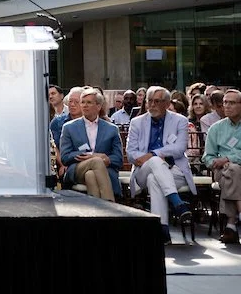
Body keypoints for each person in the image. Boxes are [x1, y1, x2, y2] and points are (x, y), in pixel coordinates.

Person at [126, 86, 194, 242]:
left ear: (167, 103)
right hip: (142, 170)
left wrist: (152, 154)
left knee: (154, 179)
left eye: (157, 101)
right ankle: (177, 203)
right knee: (155, 163)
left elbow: (179, 148)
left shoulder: (180, 121)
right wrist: (152, 158)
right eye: (149, 101)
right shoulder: (137, 122)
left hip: (175, 171)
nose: (152, 105)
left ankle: (162, 230)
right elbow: (131, 153)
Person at [59, 89, 122, 202]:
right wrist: (92, 156)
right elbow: (65, 157)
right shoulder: (69, 127)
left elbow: (118, 159)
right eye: (82, 102)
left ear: (98, 106)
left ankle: (98, 213)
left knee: (90, 176)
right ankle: (111, 204)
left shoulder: (111, 129)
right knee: (97, 161)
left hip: (104, 171)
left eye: (89, 102)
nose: (84, 105)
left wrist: (108, 159)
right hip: (78, 168)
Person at [202, 89, 241, 245]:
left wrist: (229, 158)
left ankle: (231, 224)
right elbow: (207, 157)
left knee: (234, 170)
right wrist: (217, 162)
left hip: (233, 171)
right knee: (233, 170)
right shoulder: (216, 128)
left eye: (231, 103)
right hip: (222, 171)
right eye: (225, 102)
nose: (227, 106)